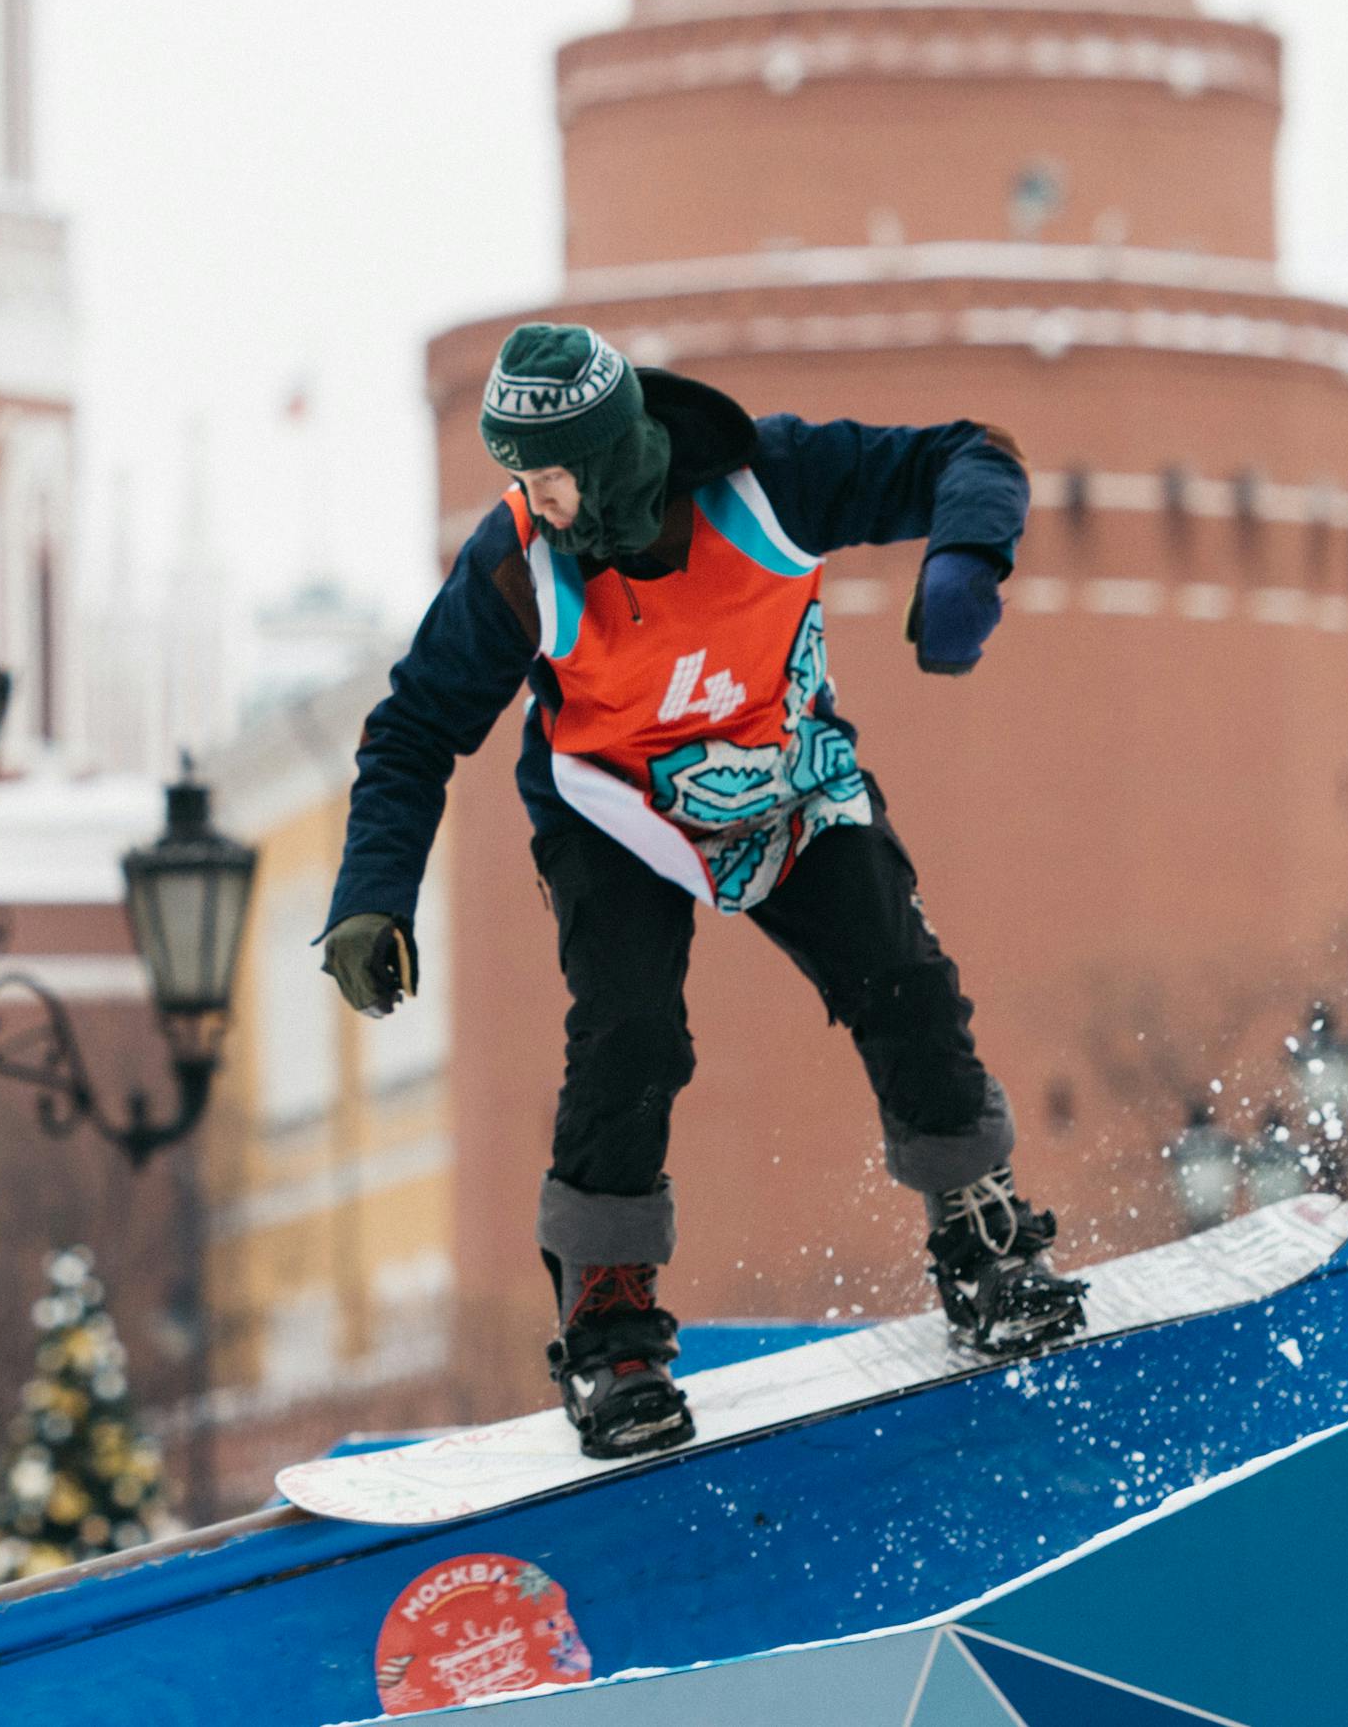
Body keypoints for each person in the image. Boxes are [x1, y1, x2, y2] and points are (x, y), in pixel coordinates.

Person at [320, 322, 1083, 1458]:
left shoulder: (771, 478)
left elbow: (971, 453)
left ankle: (982, 1236)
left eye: (550, 476)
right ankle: (608, 1322)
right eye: (519, 479)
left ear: (610, 456)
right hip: (612, 811)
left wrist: (964, 562)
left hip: (785, 776)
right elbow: (415, 727)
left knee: (899, 976)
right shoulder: (515, 558)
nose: (536, 501)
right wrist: (370, 894)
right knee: (630, 1035)